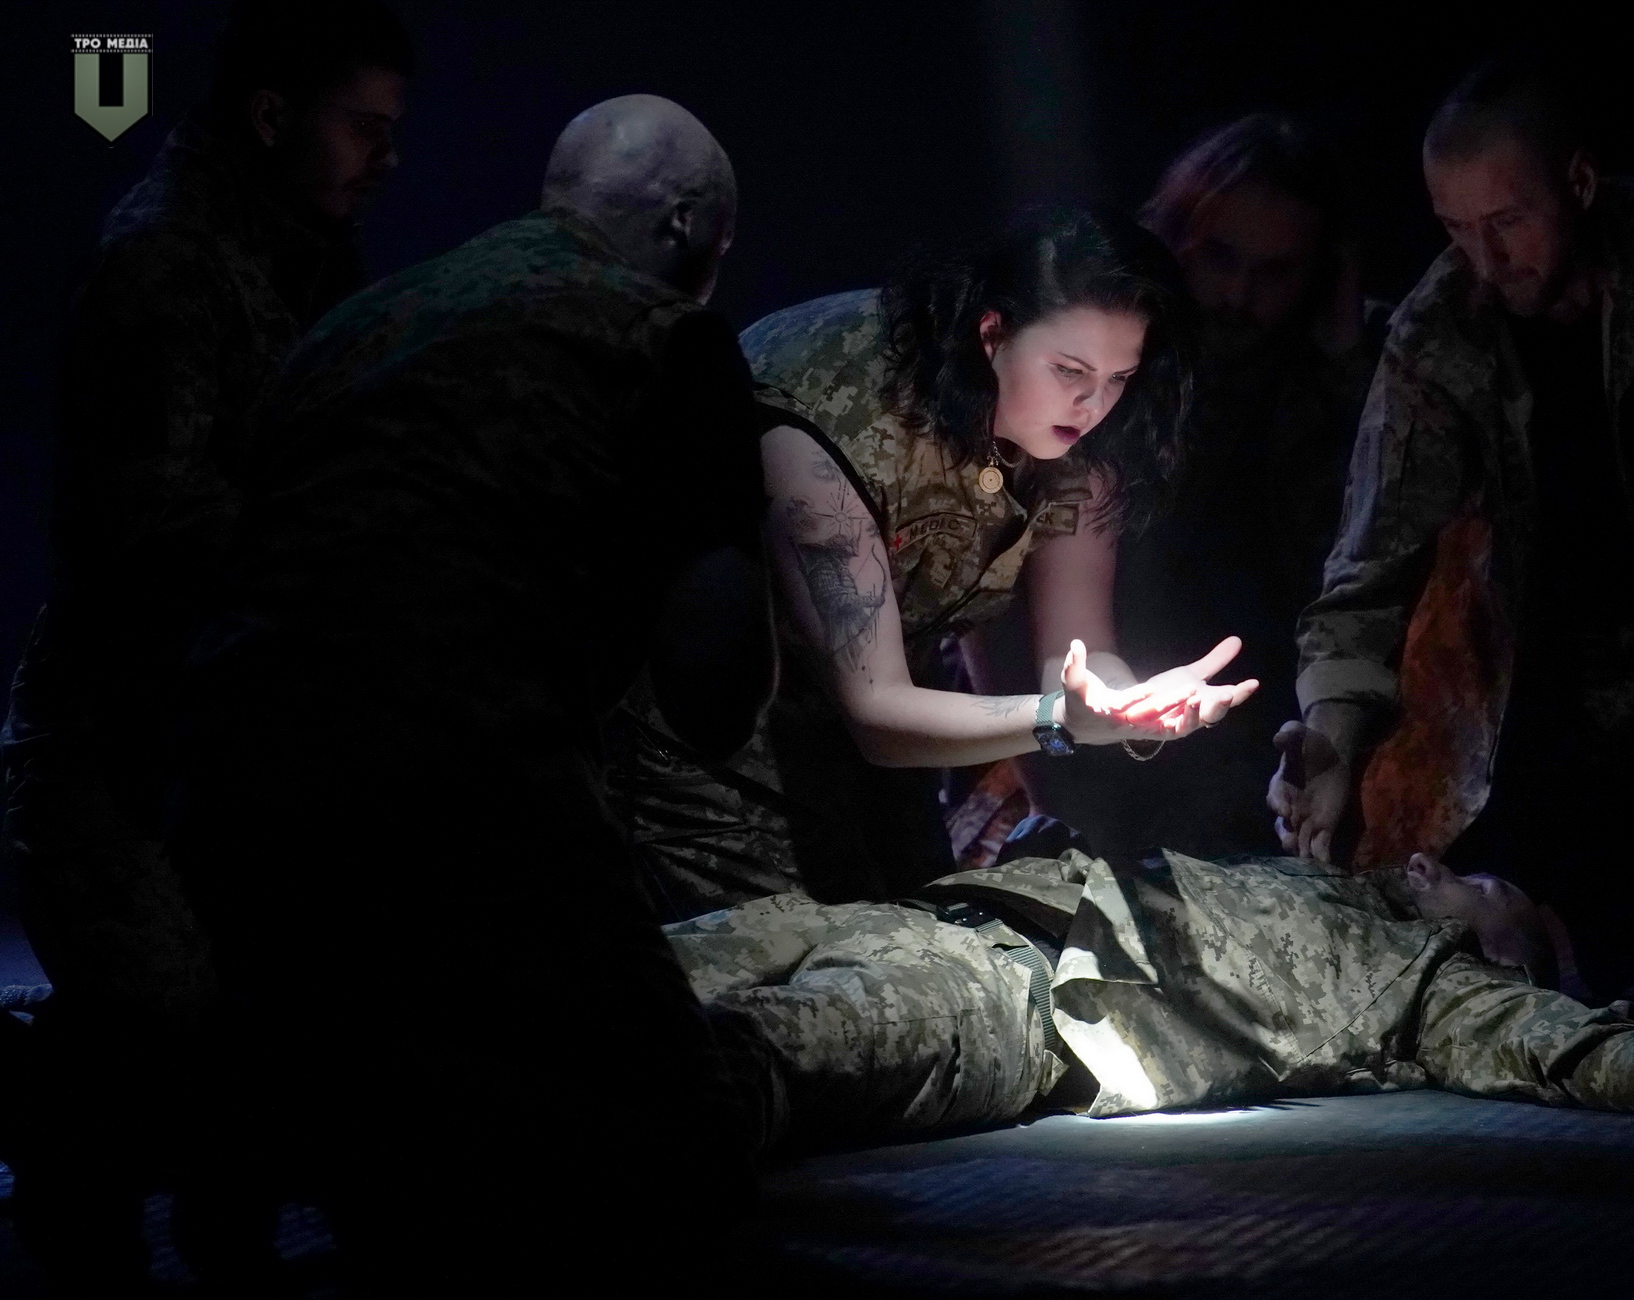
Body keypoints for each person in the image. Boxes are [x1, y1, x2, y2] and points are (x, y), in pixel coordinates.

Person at [167, 94, 772, 1293]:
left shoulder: (357, 323)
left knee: (372, 1142)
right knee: (683, 1152)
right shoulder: (663, 338)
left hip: (230, 785)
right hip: (466, 782)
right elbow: (712, 694)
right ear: (685, 224)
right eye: (719, 245)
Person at [1271, 56, 1634, 1018]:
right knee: (1448, 966)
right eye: (1455, 228)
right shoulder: (1442, 331)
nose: (1485, 259)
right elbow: (1366, 569)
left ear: (1580, 183)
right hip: (1537, 715)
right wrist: (1333, 738)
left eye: (1508, 221)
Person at [0, 0, 410, 1290]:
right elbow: (157, 535)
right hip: (122, 739)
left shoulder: (303, 244)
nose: (385, 159)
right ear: (273, 115)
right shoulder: (166, 263)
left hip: (239, 725)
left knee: (270, 1021)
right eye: (361, 126)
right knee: (157, 1019)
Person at [614, 204, 1257, 918]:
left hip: (884, 749)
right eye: (1070, 370)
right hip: (709, 745)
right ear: (993, 332)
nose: (1092, 402)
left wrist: (1128, 705)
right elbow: (877, 710)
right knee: (784, 961)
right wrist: (1061, 718)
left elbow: (1076, 651)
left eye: (1119, 377)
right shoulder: (832, 421)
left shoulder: (1080, 436)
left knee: (925, 932)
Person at [670, 841, 1634, 1152]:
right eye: (1499, 905)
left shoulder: (1419, 982)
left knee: (736, 1063)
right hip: (949, 907)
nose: (1502, 963)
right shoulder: (1320, 866)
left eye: (1512, 947)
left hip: (1021, 1002)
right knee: (615, 966)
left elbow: (1547, 1037)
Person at [1007, 115, 1387, 856]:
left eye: (1276, 272)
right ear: (1175, 239)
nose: (1239, 294)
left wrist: (1344, 361)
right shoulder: (1109, 363)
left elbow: (1357, 556)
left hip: (1258, 715)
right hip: (1085, 707)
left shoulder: (1336, 373)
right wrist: (1045, 780)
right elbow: (1003, 585)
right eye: (1219, 257)